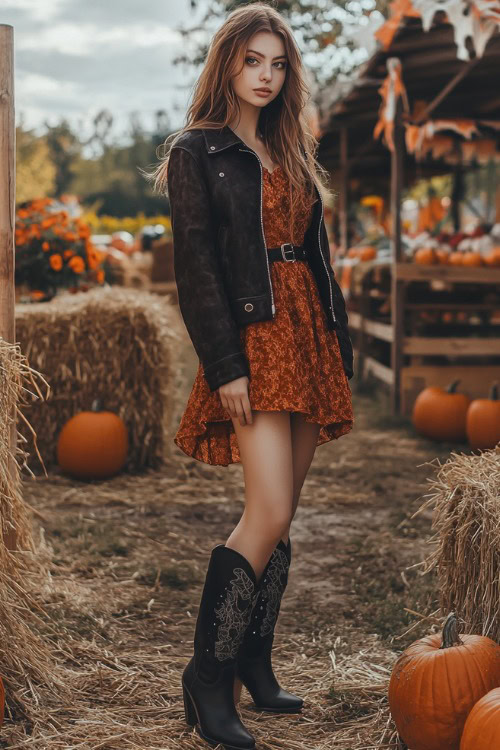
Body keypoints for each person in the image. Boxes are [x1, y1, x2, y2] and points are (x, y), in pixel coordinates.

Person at [146, 4, 354, 748]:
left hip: (305, 337)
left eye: (277, 64)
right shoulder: (197, 152)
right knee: (264, 511)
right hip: (253, 340)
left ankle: (255, 662)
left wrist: (338, 344)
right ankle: (209, 677)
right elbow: (195, 269)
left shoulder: (289, 149)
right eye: (252, 62)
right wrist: (225, 366)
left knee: (286, 510)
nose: (265, 77)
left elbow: (317, 257)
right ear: (227, 65)